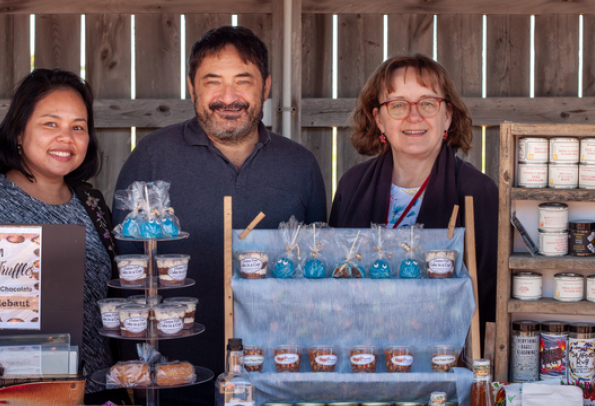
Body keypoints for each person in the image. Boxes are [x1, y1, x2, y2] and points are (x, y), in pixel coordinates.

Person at [113, 25, 327, 405]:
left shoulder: (300, 165)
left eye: (243, 82)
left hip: (275, 372)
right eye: (213, 82)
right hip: (172, 374)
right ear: (192, 88)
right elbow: (126, 274)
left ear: (265, 87)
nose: (228, 98)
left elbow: (317, 273)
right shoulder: (152, 157)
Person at [0, 68, 127, 403]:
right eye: (50, 123)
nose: (66, 137)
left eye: (78, 127)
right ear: (18, 131)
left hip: (93, 393)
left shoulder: (94, 205)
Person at [329, 54, 498, 346]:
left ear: (448, 115)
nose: (414, 116)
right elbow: (334, 283)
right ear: (378, 119)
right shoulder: (352, 185)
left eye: (428, 103)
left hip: (445, 361)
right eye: (397, 105)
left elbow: (489, 299)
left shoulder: (476, 192)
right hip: (361, 357)